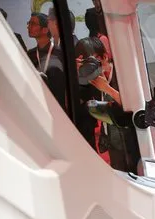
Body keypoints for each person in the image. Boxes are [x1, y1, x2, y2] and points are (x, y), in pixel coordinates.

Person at [76, 37, 140, 173]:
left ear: (104, 57)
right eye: (85, 62)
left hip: (134, 140)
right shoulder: (88, 79)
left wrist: (107, 88)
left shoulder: (123, 75)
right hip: (112, 141)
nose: (89, 67)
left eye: (92, 61)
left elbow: (136, 107)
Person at [27, 12, 66, 108]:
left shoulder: (60, 54)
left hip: (56, 109)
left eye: (33, 24)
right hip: (35, 106)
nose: (28, 27)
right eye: (29, 23)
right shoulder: (30, 54)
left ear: (45, 30)